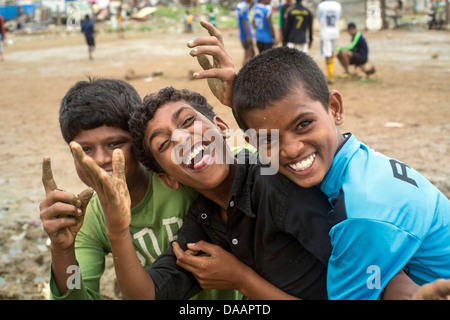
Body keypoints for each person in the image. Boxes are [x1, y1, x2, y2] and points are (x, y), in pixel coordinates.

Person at [224, 46, 450, 300]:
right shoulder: (359, 166)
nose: (290, 149)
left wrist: (243, 281)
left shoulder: (360, 214)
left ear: (335, 108)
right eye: (268, 139)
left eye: (303, 124)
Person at [70, 86, 333, 300]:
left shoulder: (275, 181)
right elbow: (149, 296)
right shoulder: (204, 221)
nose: (182, 140)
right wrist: (117, 230)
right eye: (163, 144)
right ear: (168, 179)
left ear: (221, 127)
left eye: (188, 121)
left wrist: (241, 280)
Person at [39, 78, 238, 300]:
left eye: (115, 144)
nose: (101, 159)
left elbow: (235, 157)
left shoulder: (178, 175)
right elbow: (77, 292)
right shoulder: (89, 220)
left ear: (138, 143)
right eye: (85, 149)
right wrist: (62, 251)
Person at [316, 0, 342, 84]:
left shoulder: (321, 5)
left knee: (327, 54)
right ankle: (331, 75)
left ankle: (330, 77)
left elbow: (319, 19)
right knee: (332, 52)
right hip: (335, 31)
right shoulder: (337, 5)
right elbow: (338, 17)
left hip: (325, 32)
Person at [236, 0, 255, 65]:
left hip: (242, 33)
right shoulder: (244, 6)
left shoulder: (240, 5)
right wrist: (248, 36)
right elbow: (244, 21)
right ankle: (246, 70)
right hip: (246, 34)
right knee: (250, 53)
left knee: (248, 53)